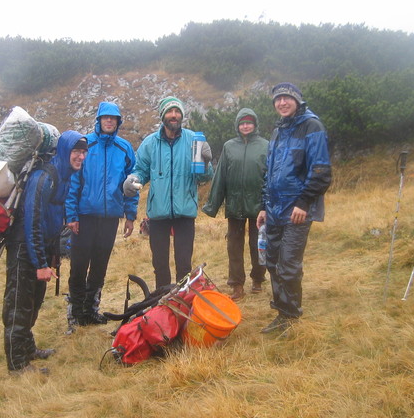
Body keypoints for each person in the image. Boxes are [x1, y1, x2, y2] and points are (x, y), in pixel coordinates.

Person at [2, 130, 87, 374]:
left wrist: (52, 256)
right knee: (19, 303)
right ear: (64, 150)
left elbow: (53, 218)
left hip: (39, 247)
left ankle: (27, 349)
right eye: (76, 151)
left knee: (33, 301)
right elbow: (33, 221)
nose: (80, 156)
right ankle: (17, 364)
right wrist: (40, 263)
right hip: (23, 248)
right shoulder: (44, 177)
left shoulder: (64, 174)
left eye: (83, 152)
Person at [256, 82, 332, 334]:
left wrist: (304, 202)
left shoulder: (312, 127)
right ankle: (281, 312)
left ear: (297, 100)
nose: (282, 103)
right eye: (278, 99)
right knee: (272, 262)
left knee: (288, 264)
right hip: (275, 209)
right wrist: (264, 206)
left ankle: (290, 317)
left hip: (297, 212)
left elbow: (321, 170)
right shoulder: (279, 131)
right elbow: (269, 172)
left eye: (287, 98)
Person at [123, 96, 213, 289]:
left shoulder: (193, 141)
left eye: (177, 111)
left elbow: (204, 177)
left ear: (181, 115)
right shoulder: (150, 143)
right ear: (163, 115)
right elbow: (141, 171)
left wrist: (205, 163)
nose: (174, 115)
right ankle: (162, 303)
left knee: (184, 265)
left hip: (184, 213)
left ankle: (182, 301)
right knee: (160, 265)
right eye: (170, 112)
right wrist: (133, 180)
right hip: (158, 214)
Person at [65, 102, 138, 327]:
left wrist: (130, 215)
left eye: (113, 118)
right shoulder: (85, 145)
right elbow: (73, 181)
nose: (109, 121)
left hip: (110, 219)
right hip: (84, 216)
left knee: (99, 266)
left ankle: (90, 310)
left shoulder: (124, 149)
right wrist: (71, 215)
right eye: (105, 117)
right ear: (98, 120)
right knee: (78, 265)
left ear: (118, 122)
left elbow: (132, 184)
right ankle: (75, 313)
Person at [202, 108, 268, 301]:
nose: (245, 126)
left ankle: (258, 279)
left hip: (259, 206)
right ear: (237, 126)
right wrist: (212, 205)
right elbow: (220, 176)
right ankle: (237, 285)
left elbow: (272, 176)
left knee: (259, 244)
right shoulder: (229, 146)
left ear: (255, 124)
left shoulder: (266, 146)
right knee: (234, 246)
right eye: (242, 123)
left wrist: (271, 204)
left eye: (249, 122)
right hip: (235, 205)